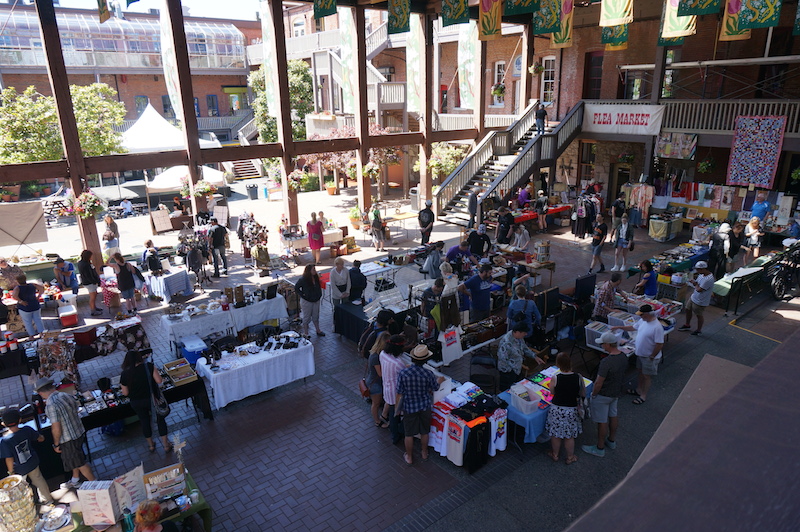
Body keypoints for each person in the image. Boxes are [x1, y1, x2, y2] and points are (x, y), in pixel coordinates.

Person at [35, 377, 96, 489]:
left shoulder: (51, 405)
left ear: (40, 393)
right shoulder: (65, 395)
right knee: (75, 459)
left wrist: (56, 443)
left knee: (80, 463)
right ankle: (75, 479)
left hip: (68, 438)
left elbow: (56, 427)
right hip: (78, 431)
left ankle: (98, 485)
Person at [395, 344, 445, 465]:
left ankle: (409, 457)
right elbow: (435, 388)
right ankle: (424, 452)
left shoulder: (403, 373)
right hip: (424, 406)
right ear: (426, 360)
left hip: (409, 407)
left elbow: (399, 392)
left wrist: (397, 409)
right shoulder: (428, 374)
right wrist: (440, 380)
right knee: (424, 431)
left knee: (409, 433)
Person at [581, 332, 627, 458]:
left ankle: (599, 447)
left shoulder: (606, 362)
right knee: (613, 415)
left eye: (602, 344)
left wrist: (593, 395)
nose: (602, 346)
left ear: (608, 344)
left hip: (603, 394)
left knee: (602, 421)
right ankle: (611, 440)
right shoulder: (623, 356)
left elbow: (598, 382)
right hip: (615, 392)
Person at [120, 350, 172, 453]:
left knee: (144, 421)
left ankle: (151, 445)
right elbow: (159, 381)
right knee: (160, 420)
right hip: (152, 399)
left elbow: (125, 393)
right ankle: (166, 445)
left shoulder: (125, 374)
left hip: (136, 402)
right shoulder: (148, 366)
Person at [611, 304, 664, 405]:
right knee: (640, 372)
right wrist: (620, 327)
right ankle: (639, 389)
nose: (640, 317)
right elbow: (633, 327)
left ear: (647, 314)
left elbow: (659, 344)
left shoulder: (657, 327)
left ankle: (643, 395)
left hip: (649, 357)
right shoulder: (643, 321)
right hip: (641, 354)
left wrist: (652, 356)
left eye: (642, 315)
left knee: (646, 376)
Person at [1, 409, 54, 505]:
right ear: (20, 420)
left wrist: (11, 472)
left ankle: (26, 504)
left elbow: (9, 458)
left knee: (21, 487)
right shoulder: (27, 429)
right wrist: (41, 437)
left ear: (3, 424)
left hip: (19, 468)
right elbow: (40, 438)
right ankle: (47, 499)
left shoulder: (5, 441)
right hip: (32, 461)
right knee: (39, 480)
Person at [545, 352, 584, 464]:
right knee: (569, 436)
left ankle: (555, 454)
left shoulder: (555, 378)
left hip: (557, 409)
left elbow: (552, 392)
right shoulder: (578, 377)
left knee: (555, 434)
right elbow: (582, 392)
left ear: (558, 364)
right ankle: (570, 457)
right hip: (571, 409)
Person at [498, 322, 544, 391]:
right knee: (507, 390)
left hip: (517, 369)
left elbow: (525, 348)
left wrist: (535, 356)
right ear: (518, 332)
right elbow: (503, 358)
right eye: (524, 332)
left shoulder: (519, 338)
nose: (526, 334)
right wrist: (512, 370)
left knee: (517, 388)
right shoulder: (506, 342)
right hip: (508, 371)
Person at [380, 334, 408, 445]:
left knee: (392, 412)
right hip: (395, 392)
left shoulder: (382, 354)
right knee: (395, 414)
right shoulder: (398, 363)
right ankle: (396, 435)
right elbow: (403, 374)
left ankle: (394, 434)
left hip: (386, 387)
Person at [678, 261, 715, 336]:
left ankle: (698, 330)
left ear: (703, 269)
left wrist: (695, 284)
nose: (697, 271)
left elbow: (699, 289)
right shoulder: (701, 275)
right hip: (694, 297)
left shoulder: (709, 279)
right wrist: (694, 283)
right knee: (688, 309)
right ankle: (687, 324)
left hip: (701, 300)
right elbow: (697, 284)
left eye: (698, 269)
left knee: (699, 315)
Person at [366, 331, 390, 429]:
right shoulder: (376, 356)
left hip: (373, 381)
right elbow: (380, 373)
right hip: (375, 384)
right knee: (375, 404)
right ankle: (377, 421)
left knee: (376, 403)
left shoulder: (374, 352)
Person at [12, 274, 45, 339]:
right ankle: (42, 333)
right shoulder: (32, 285)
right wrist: (39, 296)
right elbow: (42, 288)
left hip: (25, 307)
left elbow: (14, 296)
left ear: (17, 281)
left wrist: (20, 301)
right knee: (38, 320)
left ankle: (31, 336)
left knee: (27, 322)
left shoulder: (17, 288)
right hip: (34, 304)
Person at [296, 264, 324, 337]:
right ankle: (306, 333)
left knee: (316, 316)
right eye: (313, 269)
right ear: (309, 271)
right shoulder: (303, 279)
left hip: (316, 300)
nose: (315, 271)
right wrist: (304, 295)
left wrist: (319, 295)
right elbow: (297, 288)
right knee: (306, 317)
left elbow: (318, 287)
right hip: (307, 301)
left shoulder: (316, 278)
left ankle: (318, 330)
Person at [77, 250, 102, 316]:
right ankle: (93, 311)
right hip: (90, 283)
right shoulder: (86, 264)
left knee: (94, 294)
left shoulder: (81, 263)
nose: (91, 257)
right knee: (92, 297)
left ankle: (94, 307)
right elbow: (88, 275)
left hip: (87, 282)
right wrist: (94, 281)